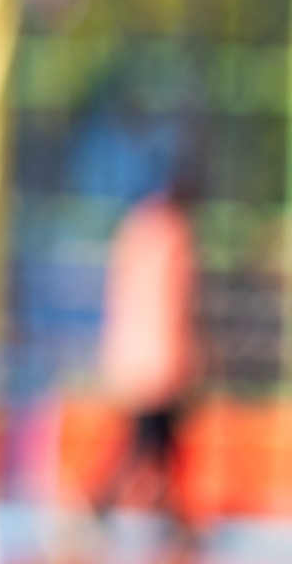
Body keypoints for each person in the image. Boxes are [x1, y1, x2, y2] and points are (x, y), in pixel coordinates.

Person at [92, 181, 200, 543]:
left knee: (158, 443)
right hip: (158, 361)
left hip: (137, 356)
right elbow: (174, 305)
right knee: (147, 441)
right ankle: (102, 504)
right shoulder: (172, 235)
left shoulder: (136, 230)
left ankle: (176, 518)